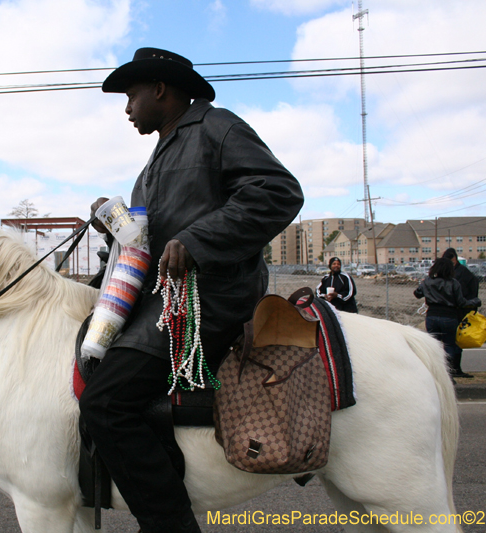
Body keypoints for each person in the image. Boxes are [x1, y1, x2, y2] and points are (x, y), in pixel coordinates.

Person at [78, 48, 304, 533]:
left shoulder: (217, 128)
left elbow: (278, 192)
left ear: (160, 89)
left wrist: (197, 241)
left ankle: (168, 525)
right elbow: (149, 241)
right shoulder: (156, 159)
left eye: (131, 95)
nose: (126, 107)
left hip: (210, 296)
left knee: (105, 403)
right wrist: (112, 224)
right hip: (165, 296)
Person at [414, 257, 481, 381]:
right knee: (450, 345)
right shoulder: (453, 283)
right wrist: (474, 301)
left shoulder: (428, 281)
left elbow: (417, 294)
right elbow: (461, 302)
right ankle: (448, 375)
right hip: (449, 316)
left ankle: (434, 374)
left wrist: (425, 288)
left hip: (432, 316)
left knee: (434, 346)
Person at [442, 248, 479, 377]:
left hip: (459, 311)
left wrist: (470, 309)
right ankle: (452, 370)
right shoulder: (452, 274)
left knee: (454, 343)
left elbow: (470, 292)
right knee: (451, 343)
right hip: (452, 311)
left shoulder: (462, 274)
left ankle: (454, 369)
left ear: (454, 260)